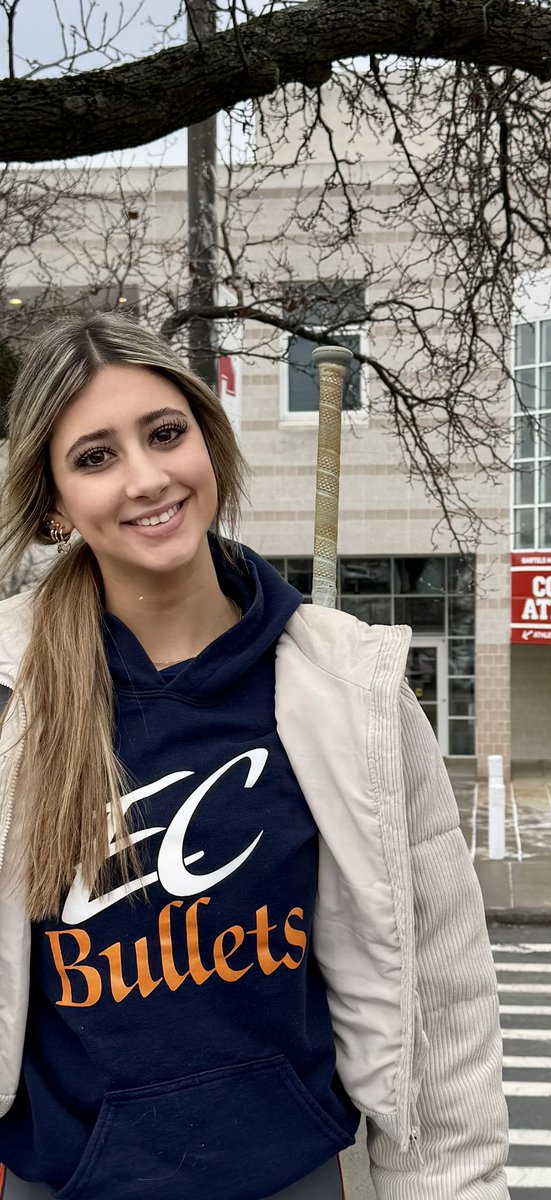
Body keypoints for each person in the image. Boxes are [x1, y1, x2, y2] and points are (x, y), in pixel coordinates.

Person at [0, 313, 509, 1200]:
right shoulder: (11, 700)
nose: (147, 478)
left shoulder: (355, 694)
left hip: (291, 1179)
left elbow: (443, 1007)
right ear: (51, 503)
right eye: (95, 456)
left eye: (166, 434)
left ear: (209, 441)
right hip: (71, 1184)